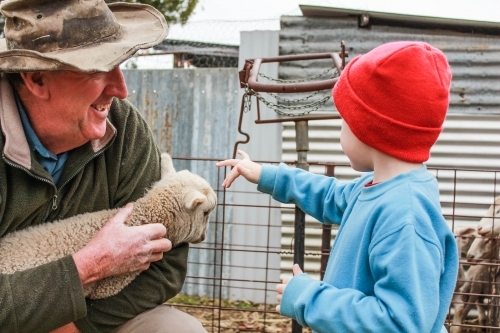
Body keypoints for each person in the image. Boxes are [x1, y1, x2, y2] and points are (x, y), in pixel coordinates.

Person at [217, 41, 459, 332]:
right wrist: (270, 175)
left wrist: (311, 299)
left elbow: (400, 324)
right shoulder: (379, 188)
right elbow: (332, 196)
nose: (340, 128)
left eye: (344, 119)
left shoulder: (404, 216)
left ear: (370, 128)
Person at [0, 0, 206, 332]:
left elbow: (166, 263)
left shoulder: (124, 129)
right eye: (98, 69)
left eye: (121, 65)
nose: (121, 90)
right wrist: (85, 268)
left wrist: (81, 328)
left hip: (87, 314)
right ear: (37, 79)